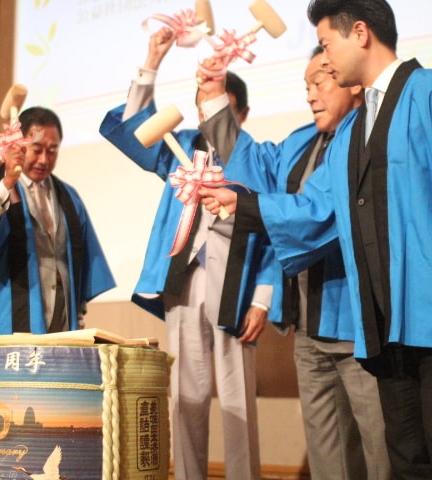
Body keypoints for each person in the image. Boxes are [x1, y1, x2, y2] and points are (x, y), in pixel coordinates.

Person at [201, 0, 432, 478]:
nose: (325, 59)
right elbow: (319, 208)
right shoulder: (351, 131)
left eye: (327, 45)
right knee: (408, 458)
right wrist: (242, 205)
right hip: (387, 323)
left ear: (360, 33)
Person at [199, 46, 391, 479]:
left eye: (319, 82)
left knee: (380, 450)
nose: (310, 95)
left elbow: (320, 211)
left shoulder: (371, 134)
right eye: (306, 86)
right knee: (326, 455)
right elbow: (254, 165)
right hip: (307, 324)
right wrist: (213, 96)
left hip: (360, 323)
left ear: (350, 79)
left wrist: (246, 206)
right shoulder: (304, 140)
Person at [99, 27, 270, 480]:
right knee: (186, 396)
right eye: (201, 104)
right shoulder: (181, 149)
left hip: (236, 284)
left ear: (240, 113)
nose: (205, 114)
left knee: (237, 398)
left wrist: (263, 297)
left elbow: (276, 228)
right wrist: (151, 64)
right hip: (184, 279)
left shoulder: (256, 157)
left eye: (218, 106)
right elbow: (134, 131)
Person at [0, 106, 115, 334]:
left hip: (63, 313)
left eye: (52, 151)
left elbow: (84, 258)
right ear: (20, 146)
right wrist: (7, 183)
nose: (44, 160)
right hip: (16, 311)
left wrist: (80, 311)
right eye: (37, 149)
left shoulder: (69, 197)